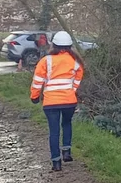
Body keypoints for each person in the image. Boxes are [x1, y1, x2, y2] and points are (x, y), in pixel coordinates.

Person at [29, 30, 84, 172]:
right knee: (67, 123)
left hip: (50, 102)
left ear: (53, 45)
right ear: (70, 45)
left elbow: (37, 82)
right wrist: (72, 90)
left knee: (54, 132)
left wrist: (34, 97)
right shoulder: (76, 62)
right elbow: (77, 78)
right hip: (69, 100)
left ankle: (56, 162)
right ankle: (66, 151)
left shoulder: (46, 61)